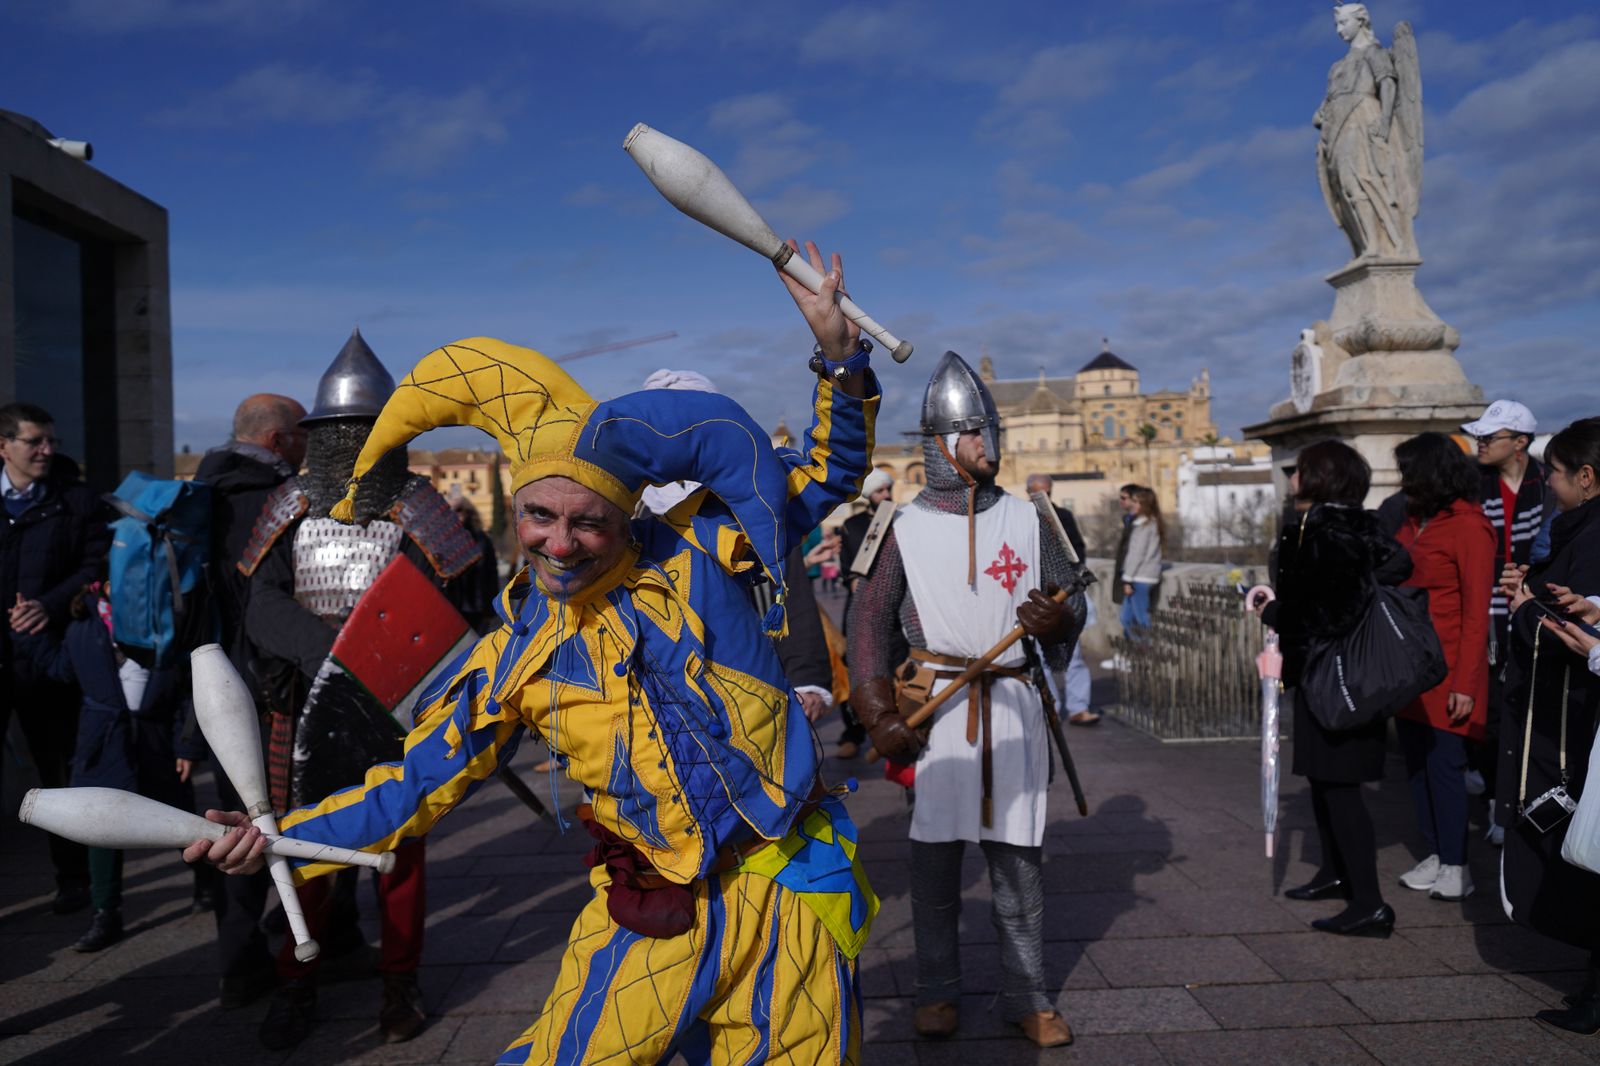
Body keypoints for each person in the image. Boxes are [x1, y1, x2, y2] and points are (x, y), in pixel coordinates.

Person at [189, 241, 880, 1063]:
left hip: (795, 890)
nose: (560, 544)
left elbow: (831, 473)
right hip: (655, 914)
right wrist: (281, 840)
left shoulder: (707, 549)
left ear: (627, 517)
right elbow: (417, 783)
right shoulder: (511, 657)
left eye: (587, 521)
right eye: (538, 517)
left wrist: (838, 351)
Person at [239, 330, 481, 1049]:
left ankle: (399, 981)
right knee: (304, 850)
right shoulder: (288, 504)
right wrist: (328, 659)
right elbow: (263, 603)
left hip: (394, 703)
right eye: (345, 431)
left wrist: (376, 667)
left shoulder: (417, 504)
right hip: (306, 703)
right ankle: (296, 980)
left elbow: (445, 608)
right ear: (320, 436)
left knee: (400, 850)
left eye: (365, 429)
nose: (354, 440)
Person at [846, 351, 1087, 1048]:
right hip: (940, 711)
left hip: (1011, 701)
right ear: (945, 444)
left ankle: (1028, 995)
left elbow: (1070, 603)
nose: (991, 447)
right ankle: (937, 990)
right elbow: (867, 622)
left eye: (993, 432)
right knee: (935, 861)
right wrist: (876, 711)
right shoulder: (899, 526)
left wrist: (1058, 621)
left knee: (1018, 864)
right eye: (976, 434)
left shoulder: (1032, 516)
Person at [1255, 439, 1410, 938]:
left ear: (1319, 476)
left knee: (1341, 788)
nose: (1291, 477)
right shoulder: (1346, 523)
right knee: (1324, 782)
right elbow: (1393, 565)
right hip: (1329, 675)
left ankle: (1369, 903)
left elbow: (1331, 609)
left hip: (1340, 678)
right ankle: (1335, 872)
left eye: (1299, 470)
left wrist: (1274, 612)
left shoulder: (1330, 529)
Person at [23, 576, 209, 952]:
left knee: (180, 819)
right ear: (100, 587)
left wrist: (186, 747)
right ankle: (105, 911)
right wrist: (27, 635)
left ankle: (208, 883)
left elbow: (187, 693)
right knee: (100, 832)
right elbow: (58, 668)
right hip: (102, 744)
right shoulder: (83, 628)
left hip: (154, 742)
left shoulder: (162, 627)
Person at [193, 392, 307, 1007]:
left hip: (209, 686)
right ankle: (285, 948)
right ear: (276, 441)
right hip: (269, 689)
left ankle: (238, 959)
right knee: (269, 822)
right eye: (303, 435)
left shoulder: (201, 490)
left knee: (234, 822)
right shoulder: (269, 499)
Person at [1497, 418, 1600, 1034]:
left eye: (1555, 474)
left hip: (1581, 721)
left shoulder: (1592, 534)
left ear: (1585, 478)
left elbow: (1572, 632)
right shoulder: (1581, 527)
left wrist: (1524, 607)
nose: (1549, 485)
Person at [0, 401, 111, 914]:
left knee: (59, 775)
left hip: (47, 660)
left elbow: (93, 564)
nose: (46, 450)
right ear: (3, 446)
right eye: (33, 441)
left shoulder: (76, 500)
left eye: (50, 441)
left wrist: (45, 607)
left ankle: (73, 881)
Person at [1389, 433, 1493, 901]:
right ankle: (1436, 852)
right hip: (1411, 666)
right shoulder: (1415, 521)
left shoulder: (1470, 527)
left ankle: (1457, 863)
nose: (1403, 480)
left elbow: (1477, 613)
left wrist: (1467, 683)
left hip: (1450, 668)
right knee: (1416, 765)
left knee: (1445, 767)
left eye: (1409, 470)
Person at [1463, 399, 1556, 842]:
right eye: (1478, 436)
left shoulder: (1548, 483)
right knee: (1490, 711)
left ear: (1520, 443)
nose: (1479, 443)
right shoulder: (1472, 484)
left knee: (1523, 705)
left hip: (1532, 609)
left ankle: (1514, 802)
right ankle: (1494, 796)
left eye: (1489, 437)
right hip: (1483, 612)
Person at [1314, 3, 1421, 263]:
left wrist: (1384, 121)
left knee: (1360, 180)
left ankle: (1377, 245)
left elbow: (1387, 83)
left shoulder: (1373, 52)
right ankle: (1364, 245)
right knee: (1343, 188)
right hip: (1336, 128)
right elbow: (1324, 106)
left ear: (1361, 21)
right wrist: (1321, 116)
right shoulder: (1337, 66)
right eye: (1337, 25)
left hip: (1362, 120)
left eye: (1344, 23)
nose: (1340, 30)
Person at [1026, 474, 1097, 725]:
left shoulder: (1063, 517)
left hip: (1065, 593)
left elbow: (1077, 551)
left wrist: (1075, 581)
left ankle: (1079, 707)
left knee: (1072, 653)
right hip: (1036, 595)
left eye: (1047, 492)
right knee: (1040, 656)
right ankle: (1050, 708)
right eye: (1038, 492)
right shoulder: (1022, 518)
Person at [833, 468, 895, 757]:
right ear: (870, 494)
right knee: (856, 666)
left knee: (895, 665)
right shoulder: (853, 524)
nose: (886, 495)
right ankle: (854, 733)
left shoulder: (899, 521)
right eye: (881, 491)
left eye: (888, 490)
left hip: (895, 606)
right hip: (859, 603)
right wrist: (853, 581)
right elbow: (848, 565)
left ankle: (895, 726)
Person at [451, 497, 503, 635]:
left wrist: (492, 608)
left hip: (478, 608)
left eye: (459, 510)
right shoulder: (446, 542)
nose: (455, 514)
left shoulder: (482, 539)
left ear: (468, 512)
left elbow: (491, 573)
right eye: (451, 511)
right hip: (455, 607)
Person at [1120, 486, 1163, 636]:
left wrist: (1128, 579)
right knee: (1126, 618)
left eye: (1137, 502)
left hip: (1140, 577)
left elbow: (1137, 554)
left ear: (1144, 505)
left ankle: (1147, 652)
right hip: (1142, 576)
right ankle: (1138, 652)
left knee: (1141, 620)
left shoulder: (1145, 525)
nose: (1134, 505)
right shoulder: (1150, 523)